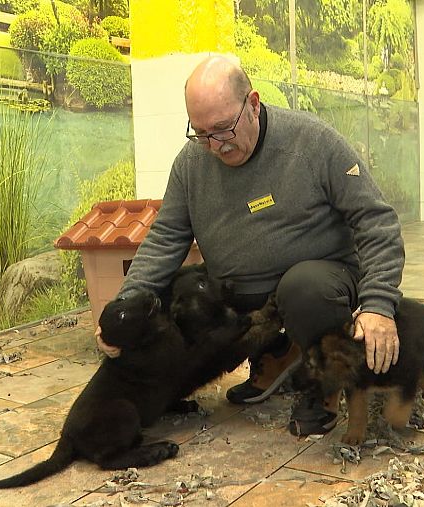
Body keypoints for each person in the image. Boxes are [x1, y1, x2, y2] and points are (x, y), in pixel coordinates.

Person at [95, 55, 405, 437]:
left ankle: (321, 383)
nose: (216, 145)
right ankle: (274, 354)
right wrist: (126, 308)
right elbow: (165, 239)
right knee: (171, 297)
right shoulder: (190, 164)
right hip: (236, 293)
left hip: (319, 283)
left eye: (223, 128)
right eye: (201, 133)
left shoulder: (312, 142)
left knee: (305, 290)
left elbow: (376, 219)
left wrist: (378, 304)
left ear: (253, 104)